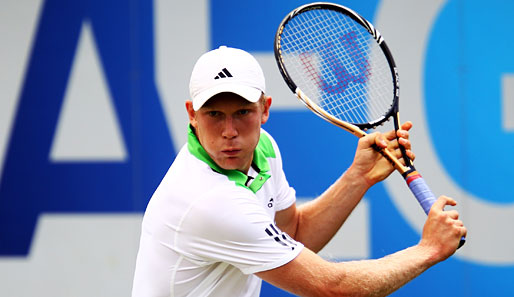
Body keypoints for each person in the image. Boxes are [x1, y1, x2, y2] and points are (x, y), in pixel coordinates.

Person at [131, 46, 466, 297]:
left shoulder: (263, 149)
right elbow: (333, 288)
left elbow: (293, 233)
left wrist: (358, 178)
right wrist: (428, 250)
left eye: (243, 112)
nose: (229, 131)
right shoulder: (209, 200)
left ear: (265, 109)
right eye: (214, 114)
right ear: (192, 114)